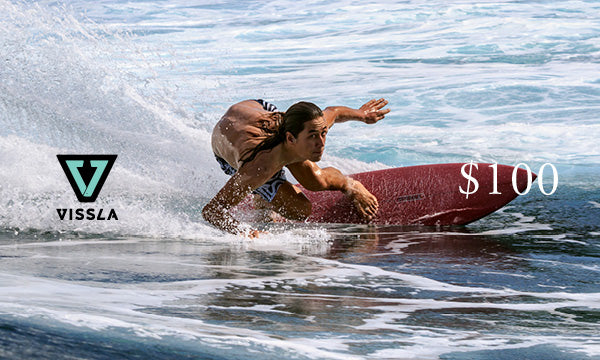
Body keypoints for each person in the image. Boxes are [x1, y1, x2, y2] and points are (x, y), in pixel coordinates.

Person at [202, 98, 390, 237]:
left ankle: (350, 185)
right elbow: (212, 211)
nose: (321, 143)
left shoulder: (309, 124)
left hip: (258, 108)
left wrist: (362, 114)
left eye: (323, 133)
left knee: (316, 180)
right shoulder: (258, 168)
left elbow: (334, 111)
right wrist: (246, 232)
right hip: (227, 149)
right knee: (299, 210)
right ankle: (261, 195)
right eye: (313, 136)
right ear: (291, 138)